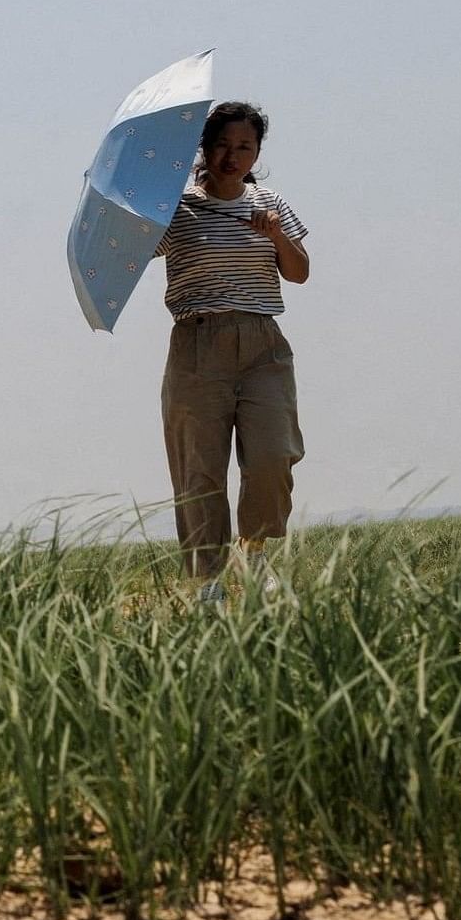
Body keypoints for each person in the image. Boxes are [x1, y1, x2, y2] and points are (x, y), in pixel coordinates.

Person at [156, 100, 312, 601]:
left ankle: (258, 550)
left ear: (257, 152)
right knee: (199, 466)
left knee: (272, 455)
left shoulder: (269, 203)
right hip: (198, 344)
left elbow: (300, 271)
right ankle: (209, 581)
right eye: (222, 144)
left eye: (244, 146)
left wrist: (277, 235)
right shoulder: (176, 208)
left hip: (263, 344)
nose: (232, 155)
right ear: (203, 148)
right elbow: (133, 253)